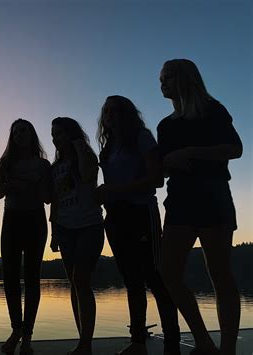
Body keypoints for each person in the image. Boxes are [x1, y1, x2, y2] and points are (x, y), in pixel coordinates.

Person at [157, 59, 242, 355]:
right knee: (168, 271)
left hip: (213, 197)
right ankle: (204, 341)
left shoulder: (212, 111)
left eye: (166, 77)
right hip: (179, 200)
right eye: (161, 78)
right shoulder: (165, 125)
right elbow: (164, 166)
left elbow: (235, 149)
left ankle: (228, 348)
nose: (162, 83)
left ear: (183, 78)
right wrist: (166, 163)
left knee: (220, 273)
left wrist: (192, 152)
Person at [95, 95, 180, 355]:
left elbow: (156, 180)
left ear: (126, 113)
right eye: (106, 110)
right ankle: (138, 341)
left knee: (156, 277)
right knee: (131, 280)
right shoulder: (107, 148)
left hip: (141, 214)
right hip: (115, 218)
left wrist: (115, 189)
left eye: (114, 110)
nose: (108, 114)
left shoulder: (142, 138)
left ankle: (171, 344)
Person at [50, 117, 104, 355]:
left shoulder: (86, 157)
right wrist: (53, 232)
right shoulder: (55, 167)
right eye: (53, 134)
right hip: (64, 228)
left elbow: (87, 177)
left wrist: (79, 145)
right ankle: (82, 339)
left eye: (59, 133)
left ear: (71, 135)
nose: (55, 138)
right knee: (74, 283)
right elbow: (54, 201)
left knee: (81, 279)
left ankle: (86, 344)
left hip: (89, 226)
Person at [0, 119, 51, 354]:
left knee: (32, 277)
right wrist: (12, 185)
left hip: (35, 220)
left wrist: (21, 185)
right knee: (9, 277)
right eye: (16, 131)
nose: (20, 133)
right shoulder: (5, 163)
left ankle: (27, 335)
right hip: (12, 220)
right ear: (12, 136)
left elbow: (48, 196)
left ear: (32, 134)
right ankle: (16, 329)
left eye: (24, 129)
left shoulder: (43, 164)